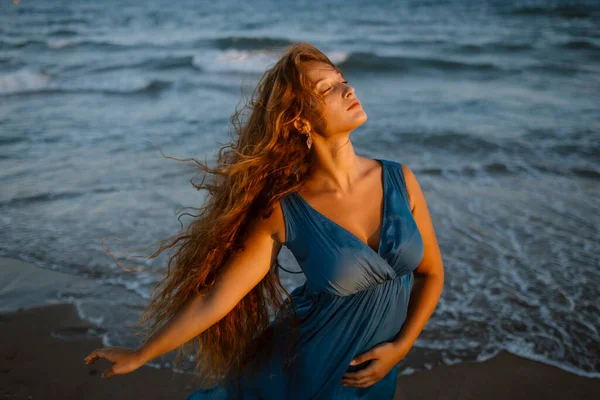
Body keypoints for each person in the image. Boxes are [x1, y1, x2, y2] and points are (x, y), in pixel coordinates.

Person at [84, 41, 444, 399]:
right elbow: (216, 299)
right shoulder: (286, 210)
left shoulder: (400, 180)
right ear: (299, 120)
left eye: (342, 79)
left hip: (376, 377)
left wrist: (402, 347)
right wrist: (141, 354)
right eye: (327, 89)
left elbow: (431, 274)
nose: (348, 88)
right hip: (307, 374)